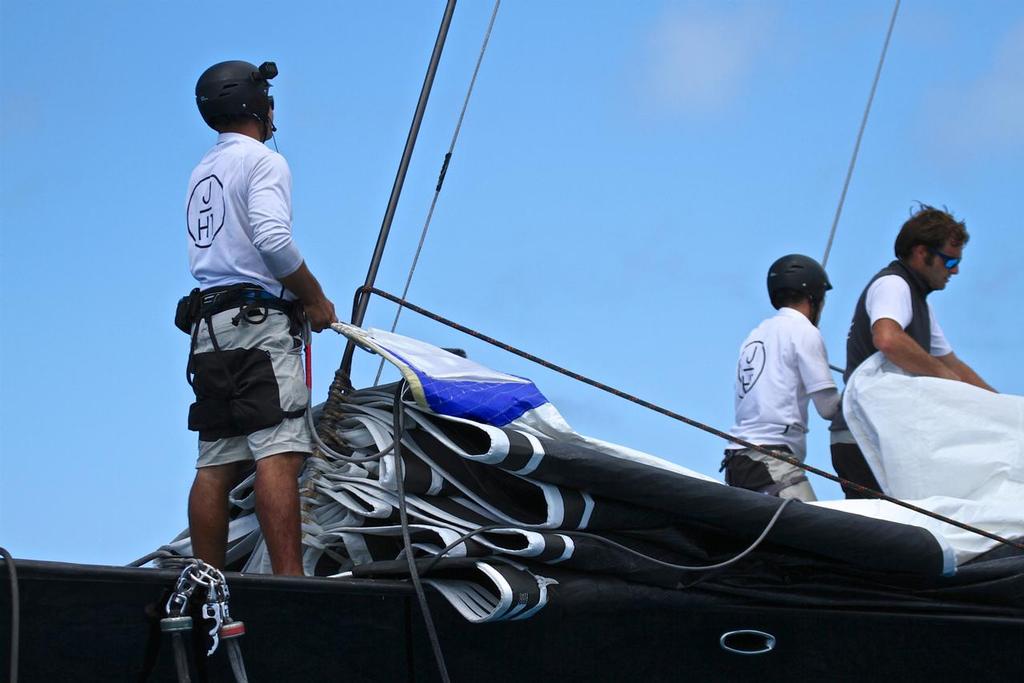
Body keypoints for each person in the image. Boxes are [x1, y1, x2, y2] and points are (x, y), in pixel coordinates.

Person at [182, 60, 337, 574]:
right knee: (281, 450)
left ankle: (207, 584)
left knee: (216, 462)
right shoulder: (264, 162)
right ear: (258, 107)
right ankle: (291, 586)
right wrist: (314, 299)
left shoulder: (203, 170)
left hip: (210, 332)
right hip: (257, 326)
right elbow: (272, 241)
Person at [830, 204, 995, 498]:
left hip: (886, 435)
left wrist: (1002, 408)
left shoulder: (920, 303)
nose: (955, 270)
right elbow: (888, 339)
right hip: (864, 436)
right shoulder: (893, 285)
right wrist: (947, 379)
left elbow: (955, 367)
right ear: (922, 253)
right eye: (949, 261)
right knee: (888, 531)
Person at [722, 255, 840, 501]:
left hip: (738, 462)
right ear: (814, 297)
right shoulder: (805, 332)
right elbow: (829, 408)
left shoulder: (755, 335)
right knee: (818, 536)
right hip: (771, 461)